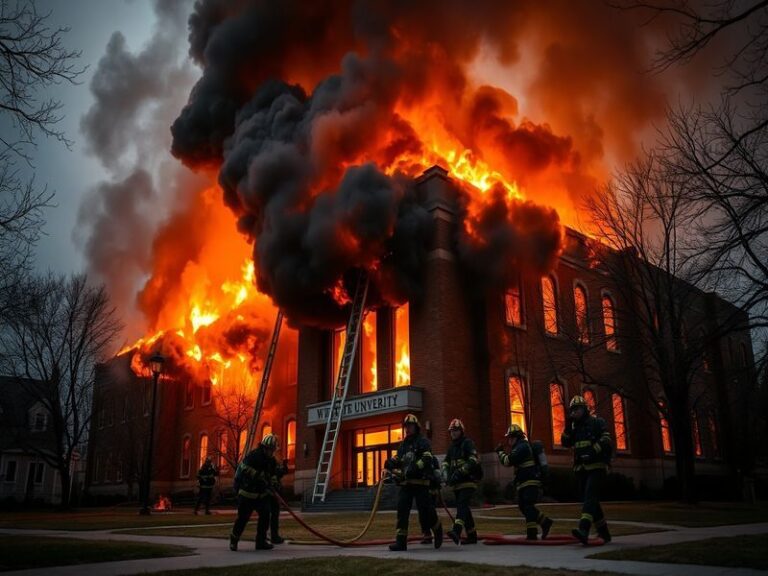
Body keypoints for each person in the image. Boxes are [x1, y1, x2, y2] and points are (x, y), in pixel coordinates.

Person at [384, 413, 443, 551]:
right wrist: (391, 462)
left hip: (421, 483)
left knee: (427, 511)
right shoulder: (404, 444)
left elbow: (427, 458)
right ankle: (401, 542)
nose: (407, 429)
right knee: (402, 511)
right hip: (406, 484)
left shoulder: (422, 441)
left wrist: (415, 467)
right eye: (406, 427)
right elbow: (398, 458)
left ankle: (437, 529)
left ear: (416, 427)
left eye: (410, 426)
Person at [561, 395, 613, 544]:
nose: (574, 413)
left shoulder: (596, 422)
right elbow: (565, 443)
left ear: (584, 409)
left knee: (590, 496)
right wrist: (567, 427)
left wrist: (592, 451)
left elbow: (606, 439)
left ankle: (583, 529)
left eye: (577, 409)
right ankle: (604, 533)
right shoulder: (574, 427)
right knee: (591, 501)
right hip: (581, 468)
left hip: (596, 466)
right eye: (572, 410)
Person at [496, 424, 553, 540]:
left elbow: (507, 461)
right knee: (524, 506)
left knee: (527, 506)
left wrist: (500, 452)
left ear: (516, 437)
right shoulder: (520, 447)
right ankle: (532, 533)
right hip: (524, 482)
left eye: (511, 438)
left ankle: (545, 522)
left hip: (530, 482)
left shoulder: (522, 447)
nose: (509, 440)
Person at [229, 433, 278, 551]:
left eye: (273, 450)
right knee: (243, 518)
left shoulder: (272, 461)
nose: (272, 452)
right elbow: (243, 467)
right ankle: (234, 540)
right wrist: (256, 475)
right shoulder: (254, 455)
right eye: (270, 449)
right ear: (265, 448)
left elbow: (272, 475)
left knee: (265, 516)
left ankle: (260, 542)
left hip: (262, 494)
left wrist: (273, 483)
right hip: (247, 493)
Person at [442, 418, 481, 545]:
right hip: (457, 484)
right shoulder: (452, 448)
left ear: (461, 431)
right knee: (465, 509)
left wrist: (460, 472)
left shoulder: (467, 443)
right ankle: (472, 536)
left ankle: (456, 531)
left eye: (456, 430)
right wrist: (446, 473)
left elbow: (473, 460)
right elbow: (446, 462)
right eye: (452, 431)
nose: (453, 433)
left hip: (468, 481)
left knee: (461, 505)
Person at [269, 457, 289, 544]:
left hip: (275, 496)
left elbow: (283, 471)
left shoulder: (275, 471)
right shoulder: (267, 470)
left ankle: (274, 536)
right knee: (268, 516)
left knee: (274, 516)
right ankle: (270, 536)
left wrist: (285, 465)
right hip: (268, 495)